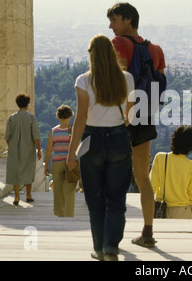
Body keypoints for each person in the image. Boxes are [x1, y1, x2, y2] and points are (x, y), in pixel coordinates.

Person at [66, 34, 134, 261]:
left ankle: (99, 248)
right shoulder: (127, 79)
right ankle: (111, 247)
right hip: (118, 137)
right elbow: (128, 117)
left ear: (92, 55)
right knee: (116, 199)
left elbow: (81, 118)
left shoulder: (83, 80)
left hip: (91, 140)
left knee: (95, 200)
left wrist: (71, 154)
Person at [107, 2, 166, 247]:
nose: (111, 26)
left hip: (120, 116)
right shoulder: (156, 49)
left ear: (129, 20)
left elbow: (114, 80)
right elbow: (160, 85)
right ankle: (148, 232)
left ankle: (111, 236)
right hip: (144, 115)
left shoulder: (118, 44)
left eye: (115, 20)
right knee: (143, 177)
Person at [150, 125, 192, 219]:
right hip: (183, 212)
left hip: (161, 209)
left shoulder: (160, 158)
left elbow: (151, 186)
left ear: (173, 139)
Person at [5, 93, 42, 206]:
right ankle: (28, 195)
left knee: (15, 171)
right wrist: (39, 149)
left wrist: (11, 146)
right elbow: (35, 136)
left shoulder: (11, 118)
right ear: (27, 104)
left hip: (14, 149)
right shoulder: (31, 118)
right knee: (28, 169)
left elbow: (7, 136)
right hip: (28, 148)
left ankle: (16, 197)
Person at [44, 105, 77, 217]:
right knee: (70, 189)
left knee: (57, 190)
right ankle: (69, 213)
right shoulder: (73, 130)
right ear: (70, 116)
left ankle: (59, 213)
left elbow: (49, 150)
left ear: (58, 116)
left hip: (56, 162)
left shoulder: (54, 131)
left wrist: (46, 165)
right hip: (70, 163)